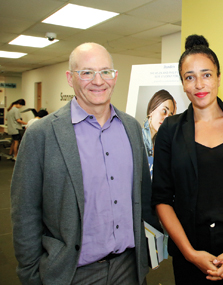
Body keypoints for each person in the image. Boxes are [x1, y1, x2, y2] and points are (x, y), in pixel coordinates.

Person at [11, 43, 158, 285]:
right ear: (70, 78)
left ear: (115, 76)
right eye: (87, 72)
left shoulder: (131, 128)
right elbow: (25, 211)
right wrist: (30, 274)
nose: (98, 81)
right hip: (72, 273)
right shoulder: (43, 134)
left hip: (129, 268)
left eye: (105, 71)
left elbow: (143, 196)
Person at [152, 35, 223, 284]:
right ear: (182, 84)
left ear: (218, 78)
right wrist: (191, 255)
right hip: (192, 255)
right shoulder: (169, 131)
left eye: (206, 74)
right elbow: (161, 198)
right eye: (189, 77)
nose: (199, 84)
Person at [142, 89, 176, 157]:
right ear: (152, 109)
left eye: (170, 116)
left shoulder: (159, 143)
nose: (166, 119)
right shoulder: (138, 139)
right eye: (164, 111)